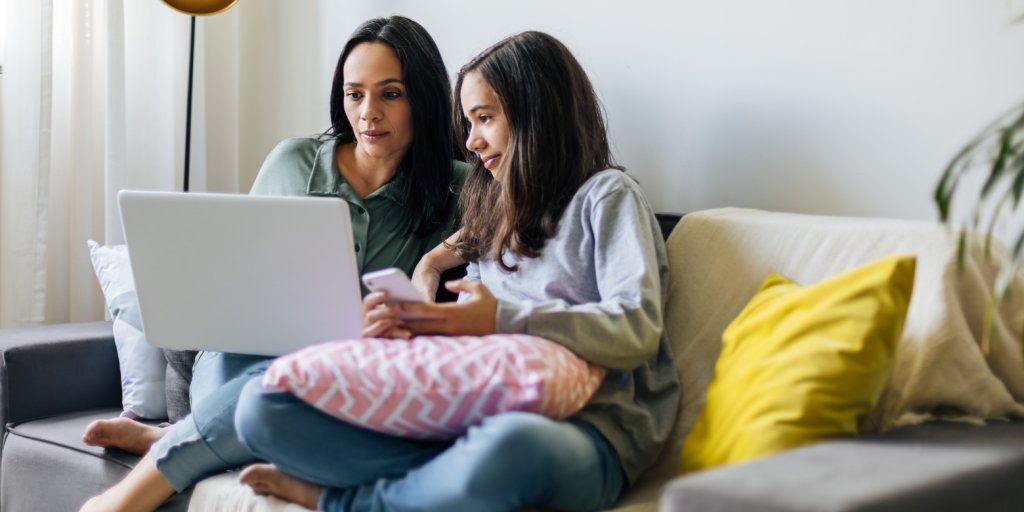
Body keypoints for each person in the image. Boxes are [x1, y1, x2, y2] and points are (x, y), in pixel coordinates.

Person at [232, 31, 681, 512]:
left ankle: (350, 502)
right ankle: (438, 486)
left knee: (512, 447)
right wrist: (412, 325)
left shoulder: (607, 197)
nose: (471, 141)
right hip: (473, 423)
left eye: (484, 118)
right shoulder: (492, 211)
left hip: (586, 431)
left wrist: (502, 318)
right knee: (263, 405)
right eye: (468, 123)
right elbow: (471, 351)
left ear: (537, 113)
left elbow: (637, 330)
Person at [79, 16, 467, 512]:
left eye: (390, 93)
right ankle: (184, 436)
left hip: (346, 379)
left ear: (425, 97)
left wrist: (429, 268)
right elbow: (240, 270)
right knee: (261, 390)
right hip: (241, 356)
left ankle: (158, 458)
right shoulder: (292, 160)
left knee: (280, 397)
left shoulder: (463, 189)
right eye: (354, 94)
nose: (368, 113)